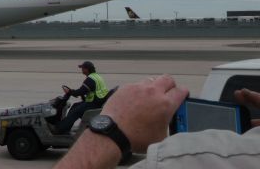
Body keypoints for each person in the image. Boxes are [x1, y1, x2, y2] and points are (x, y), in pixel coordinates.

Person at [54, 75, 260, 169]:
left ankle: (60, 128)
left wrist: (109, 128)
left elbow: (84, 92)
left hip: (93, 106)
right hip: (95, 101)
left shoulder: (184, 158)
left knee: (75, 111)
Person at [54, 61, 109, 134]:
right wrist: (73, 92)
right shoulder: (97, 76)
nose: (81, 70)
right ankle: (67, 128)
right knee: (74, 106)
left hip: (93, 103)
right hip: (98, 101)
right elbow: (84, 91)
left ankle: (61, 129)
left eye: (82, 68)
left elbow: (81, 91)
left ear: (87, 69)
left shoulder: (90, 79)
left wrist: (70, 92)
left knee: (75, 112)